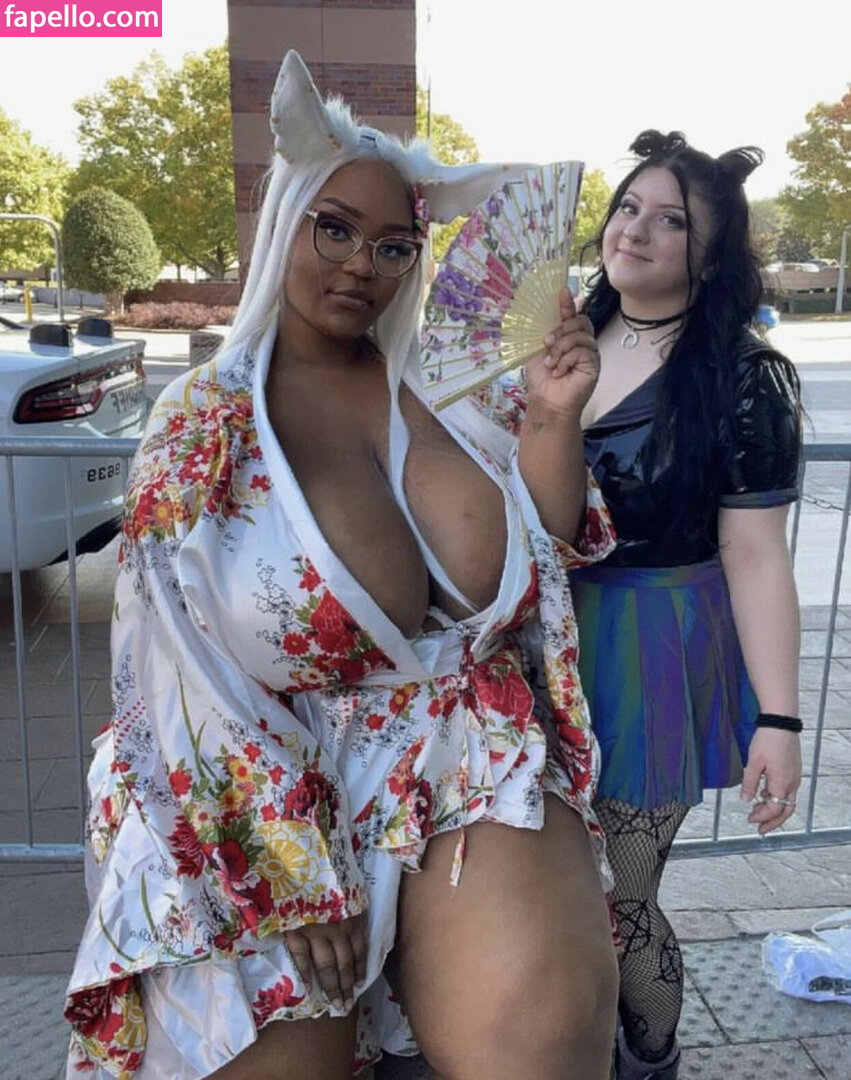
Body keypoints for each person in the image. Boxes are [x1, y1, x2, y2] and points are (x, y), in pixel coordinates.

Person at [63, 50, 620, 1080]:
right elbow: (171, 663)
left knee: (545, 1038)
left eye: (393, 245)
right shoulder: (200, 423)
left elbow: (537, 571)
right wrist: (288, 861)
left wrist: (550, 419)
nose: (362, 264)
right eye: (335, 228)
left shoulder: (454, 398)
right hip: (249, 779)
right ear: (286, 222)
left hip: (459, 746)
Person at [571, 130, 803, 1080]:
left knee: (623, 898)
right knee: (547, 892)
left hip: (654, 646)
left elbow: (755, 553)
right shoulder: (558, 338)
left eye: (670, 221)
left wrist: (778, 719)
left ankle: (649, 1061)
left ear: (709, 258)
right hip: (538, 640)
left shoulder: (744, 377)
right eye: (628, 207)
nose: (635, 230)